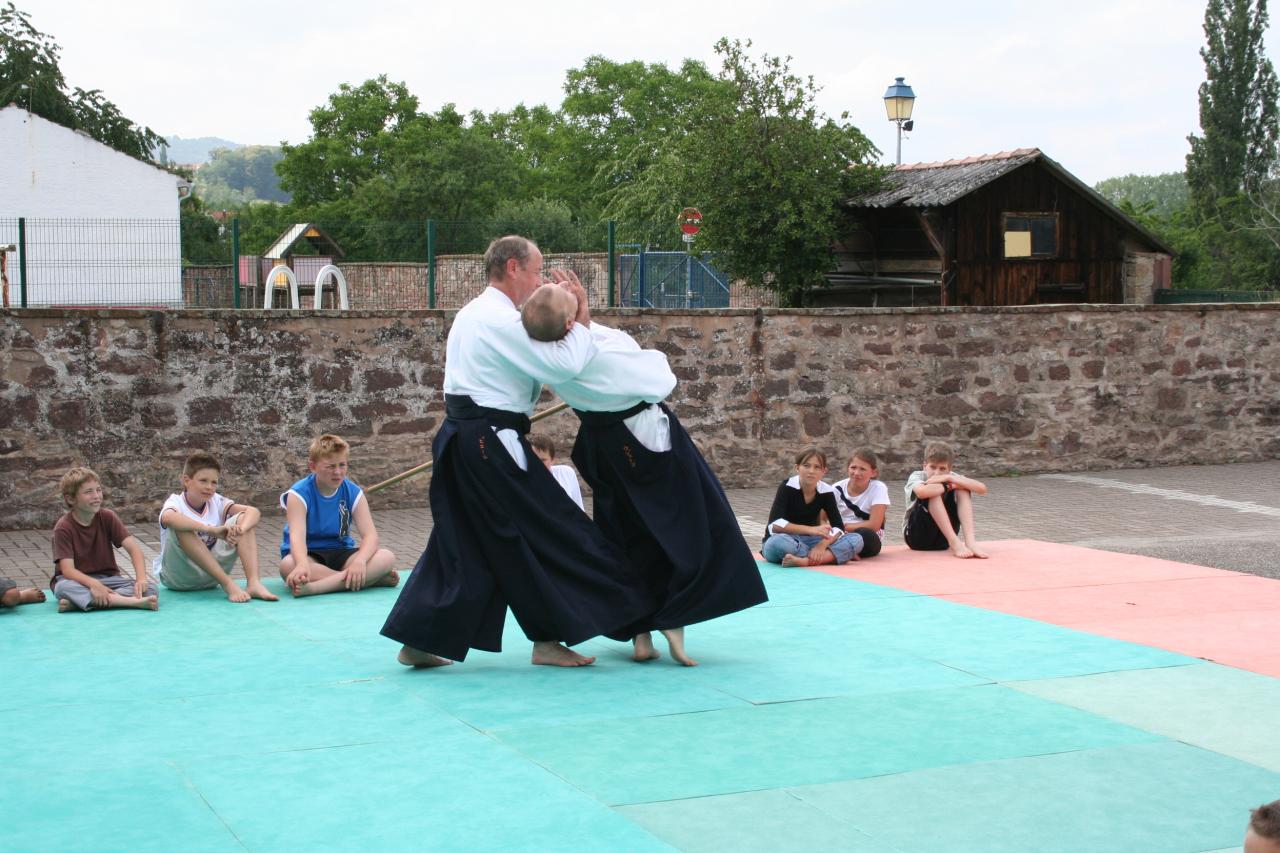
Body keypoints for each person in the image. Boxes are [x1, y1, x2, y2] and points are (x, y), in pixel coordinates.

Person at [381, 236, 654, 669]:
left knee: (468, 541)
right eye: (536, 270)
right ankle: (610, 614)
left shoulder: (479, 313)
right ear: (513, 268)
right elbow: (562, 365)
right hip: (489, 441)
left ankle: (423, 635)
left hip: (470, 440)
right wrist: (580, 318)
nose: (541, 279)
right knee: (554, 529)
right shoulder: (497, 319)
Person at [521, 284, 767, 666]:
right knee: (688, 525)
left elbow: (585, 340)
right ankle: (674, 618)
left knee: (625, 530)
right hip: (645, 438)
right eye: (571, 302)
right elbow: (661, 377)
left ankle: (640, 630)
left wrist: (579, 316)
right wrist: (583, 320)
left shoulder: (549, 351)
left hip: (602, 445)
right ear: (570, 321)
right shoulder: (598, 352)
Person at [279, 434, 398, 596]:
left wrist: (359, 562)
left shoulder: (353, 491)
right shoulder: (298, 494)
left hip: (342, 552)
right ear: (312, 466)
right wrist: (301, 564)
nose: (338, 472)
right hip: (309, 554)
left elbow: (371, 536)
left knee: (387, 556)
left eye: (342, 465)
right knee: (287, 566)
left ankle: (316, 587)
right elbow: (296, 537)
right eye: (330, 466)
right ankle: (369, 581)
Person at [155, 451, 277, 603]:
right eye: (203, 481)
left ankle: (254, 583)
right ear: (186, 481)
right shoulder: (175, 502)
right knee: (181, 526)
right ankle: (228, 584)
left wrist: (241, 530)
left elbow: (254, 512)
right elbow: (168, 518)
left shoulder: (217, 501)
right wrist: (210, 530)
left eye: (214, 482)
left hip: (210, 578)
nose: (209, 487)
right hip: (179, 579)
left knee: (244, 519)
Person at [50, 466, 157, 612]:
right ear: (70, 499)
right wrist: (93, 584)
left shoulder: (108, 517)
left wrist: (141, 578)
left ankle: (79, 603)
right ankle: (129, 602)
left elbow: (134, 549)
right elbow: (68, 571)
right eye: (88, 492)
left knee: (150, 588)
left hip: (109, 580)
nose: (96, 496)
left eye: (98, 490)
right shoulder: (63, 527)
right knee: (61, 588)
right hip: (77, 581)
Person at [760, 447, 861, 567]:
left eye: (817, 467)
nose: (811, 471)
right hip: (785, 540)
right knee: (777, 543)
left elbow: (838, 527)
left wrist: (822, 545)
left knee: (857, 539)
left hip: (812, 541)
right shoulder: (787, 487)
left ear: (824, 471)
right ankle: (832, 555)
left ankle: (805, 561)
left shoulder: (826, 491)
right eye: (806, 466)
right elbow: (775, 524)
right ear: (797, 468)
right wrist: (811, 530)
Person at [902, 441, 989, 558]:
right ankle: (955, 543)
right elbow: (922, 492)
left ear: (949, 469)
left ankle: (970, 542)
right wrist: (947, 485)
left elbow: (982, 489)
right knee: (933, 491)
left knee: (963, 490)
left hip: (942, 541)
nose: (937, 473)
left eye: (942, 469)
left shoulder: (951, 476)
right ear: (924, 466)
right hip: (917, 537)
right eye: (932, 467)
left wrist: (949, 479)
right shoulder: (917, 476)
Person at [829, 448, 890, 560]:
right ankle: (845, 551)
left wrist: (846, 527)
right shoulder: (836, 489)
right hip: (839, 534)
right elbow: (822, 519)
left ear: (873, 472)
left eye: (862, 469)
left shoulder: (878, 488)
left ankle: (836, 551)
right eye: (853, 467)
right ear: (847, 468)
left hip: (865, 534)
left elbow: (874, 525)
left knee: (864, 536)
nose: (857, 473)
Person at [528, 434, 584, 511]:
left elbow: (579, 508)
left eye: (543, 460)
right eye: (534, 459)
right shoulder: (523, 481)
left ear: (552, 460)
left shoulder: (566, 473)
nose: (538, 464)